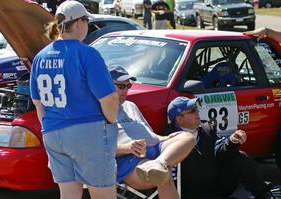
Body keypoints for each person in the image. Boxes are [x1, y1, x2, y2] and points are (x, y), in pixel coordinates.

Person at [30, 1, 119, 199]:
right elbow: (110, 98)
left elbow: (38, 104)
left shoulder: (40, 57)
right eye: (86, 21)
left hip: (52, 133)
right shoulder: (87, 53)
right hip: (87, 132)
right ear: (79, 23)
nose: (88, 25)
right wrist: (110, 122)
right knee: (103, 194)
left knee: (68, 195)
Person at [109, 66, 195, 199]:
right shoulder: (98, 111)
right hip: (129, 159)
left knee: (187, 137)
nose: (126, 90)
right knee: (162, 175)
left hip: (155, 151)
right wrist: (126, 148)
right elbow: (96, 148)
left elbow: (149, 134)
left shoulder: (131, 106)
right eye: (121, 86)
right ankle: (158, 166)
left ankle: (159, 163)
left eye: (128, 86)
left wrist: (164, 138)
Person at [165, 96, 273, 199]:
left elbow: (219, 148)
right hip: (191, 192)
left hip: (216, 184)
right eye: (192, 111)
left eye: (196, 108)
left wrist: (232, 140)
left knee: (240, 157)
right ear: (179, 119)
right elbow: (169, 177)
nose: (197, 112)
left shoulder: (207, 128)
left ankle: (264, 194)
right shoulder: (169, 139)